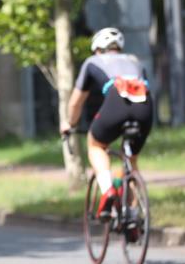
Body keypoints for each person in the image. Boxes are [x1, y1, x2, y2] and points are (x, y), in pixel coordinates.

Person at [60, 27, 153, 220]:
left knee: (95, 145)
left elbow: (76, 102)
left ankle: (108, 189)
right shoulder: (135, 61)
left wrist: (70, 123)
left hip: (117, 100)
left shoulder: (92, 62)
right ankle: (134, 216)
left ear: (97, 49)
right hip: (145, 106)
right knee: (131, 159)